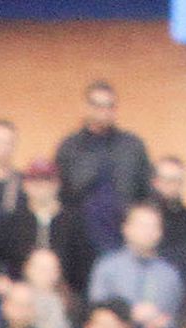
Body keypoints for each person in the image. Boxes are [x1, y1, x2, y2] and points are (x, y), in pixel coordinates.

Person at [56, 80, 152, 283]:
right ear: (86, 108)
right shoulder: (69, 147)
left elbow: (146, 194)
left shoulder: (132, 146)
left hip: (124, 239)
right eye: (98, 105)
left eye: (109, 106)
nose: (103, 112)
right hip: (80, 242)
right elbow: (61, 195)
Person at [0, 157, 89, 297]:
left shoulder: (73, 223)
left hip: (62, 295)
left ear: (57, 184)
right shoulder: (12, 222)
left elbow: (82, 266)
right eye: (35, 181)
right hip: (19, 294)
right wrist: (1, 278)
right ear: (25, 185)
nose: (41, 187)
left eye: (46, 181)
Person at [89, 201, 183, 328]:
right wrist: (129, 314)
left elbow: (177, 321)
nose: (148, 232)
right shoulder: (107, 267)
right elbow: (96, 307)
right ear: (126, 228)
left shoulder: (170, 275)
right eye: (142, 225)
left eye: (154, 227)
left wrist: (163, 324)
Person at [150, 155, 186, 283]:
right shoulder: (142, 216)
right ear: (154, 181)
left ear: (181, 184)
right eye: (163, 179)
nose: (167, 185)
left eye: (174, 180)